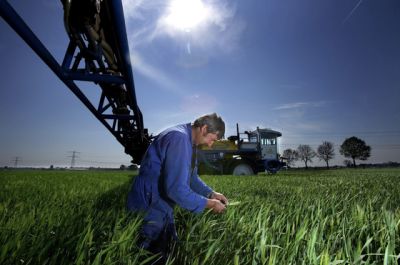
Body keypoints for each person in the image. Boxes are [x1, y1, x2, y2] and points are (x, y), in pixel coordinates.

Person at [127, 113, 228, 259]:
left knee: (170, 248)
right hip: (149, 203)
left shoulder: (190, 143)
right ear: (204, 129)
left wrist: (211, 193)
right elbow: (176, 190)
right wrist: (210, 204)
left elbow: (192, 178)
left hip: (162, 203)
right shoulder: (179, 139)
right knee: (148, 255)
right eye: (212, 139)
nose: (210, 144)